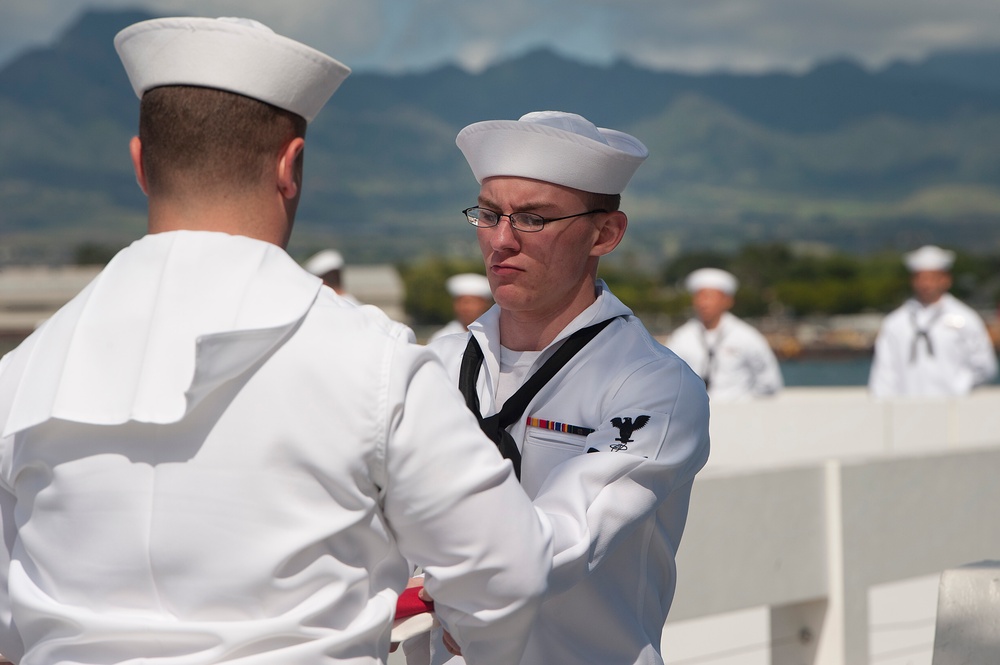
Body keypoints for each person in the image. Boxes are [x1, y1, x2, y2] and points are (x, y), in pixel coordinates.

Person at [0, 17, 551, 665]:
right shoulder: (373, 361)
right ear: (291, 166)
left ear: (141, 164)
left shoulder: (26, 367)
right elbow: (508, 573)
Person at [425, 111, 711, 664]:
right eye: (488, 214)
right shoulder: (436, 366)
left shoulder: (652, 386)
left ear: (605, 233)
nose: (501, 241)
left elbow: (572, 530)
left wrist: (476, 597)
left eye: (533, 219)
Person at [869, 244, 998, 397]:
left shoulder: (966, 318)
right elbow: (884, 371)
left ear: (946, 280)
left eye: (932, 278)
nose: (926, 284)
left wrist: (959, 388)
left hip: (953, 409)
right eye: (920, 278)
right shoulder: (895, 322)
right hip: (905, 409)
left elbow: (985, 365)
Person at [666, 267, 783, 401]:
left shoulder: (747, 336)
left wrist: (745, 403)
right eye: (699, 296)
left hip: (738, 414)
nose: (703, 303)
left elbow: (769, 383)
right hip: (695, 414)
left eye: (710, 297)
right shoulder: (681, 337)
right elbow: (669, 378)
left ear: (727, 301)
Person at [427, 273, 493, 343]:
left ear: (486, 304)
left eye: (471, 302)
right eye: (460, 302)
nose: (465, 308)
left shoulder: (498, 334)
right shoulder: (440, 338)